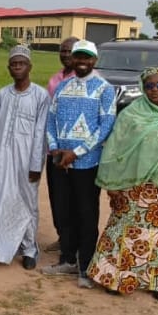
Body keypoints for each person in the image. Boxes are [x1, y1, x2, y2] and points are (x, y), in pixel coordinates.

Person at [87, 68, 158, 301]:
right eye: (149, 86)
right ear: (142, 88)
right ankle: (116, 279)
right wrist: (112, 185)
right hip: (133, 186)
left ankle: (157, 282)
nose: (154, 90)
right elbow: (114, 150)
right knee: (126, 232)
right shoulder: (131, 115)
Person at [41, 39, 117, 288]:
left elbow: (105, 126)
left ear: (94, 61)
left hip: (87, 164)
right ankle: (67, 259)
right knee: (63, 212)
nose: (82, 62)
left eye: (87, 58)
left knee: (86, 214)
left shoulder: (104, 89)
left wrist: (78, 152)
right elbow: (50, 120)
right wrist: (54, 149)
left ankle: (85, 265)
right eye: (78, 57)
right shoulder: (63, 87)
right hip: (60, 161)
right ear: (72, 60)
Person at [0, 46, 50, 268]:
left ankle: (29, 248)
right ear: (9, 68)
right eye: (14, 64)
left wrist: (35, 164)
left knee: (27, 202)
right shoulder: (2, 95)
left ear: (30, 66)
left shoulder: (40, 96)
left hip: (27, 160)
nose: (17, 67)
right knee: (0, 199)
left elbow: (41, 132)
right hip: (3, 157)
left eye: (21, 63)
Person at [44, 37, 79, 253]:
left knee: (74, 198)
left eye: (70, 51)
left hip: (75, 152)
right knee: (57, 196)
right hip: (53, 148)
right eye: (63, 51)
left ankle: (74, 242)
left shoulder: (85, 80)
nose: (66, 55)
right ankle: (62, 236)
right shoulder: (54, 79)